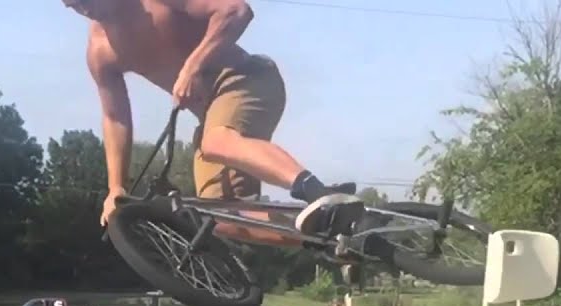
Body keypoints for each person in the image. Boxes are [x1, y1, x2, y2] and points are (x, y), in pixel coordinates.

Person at [64, 0, 363, 241]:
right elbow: (115, 118)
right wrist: (116, 187)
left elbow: (236, 10)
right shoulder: (100, 53)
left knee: (215, 141)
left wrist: (193, 66)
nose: (86, 9)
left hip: (247, 79)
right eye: (74, 6)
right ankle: (328, 239)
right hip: (211, 116)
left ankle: (318, 192)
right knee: (221, 217)